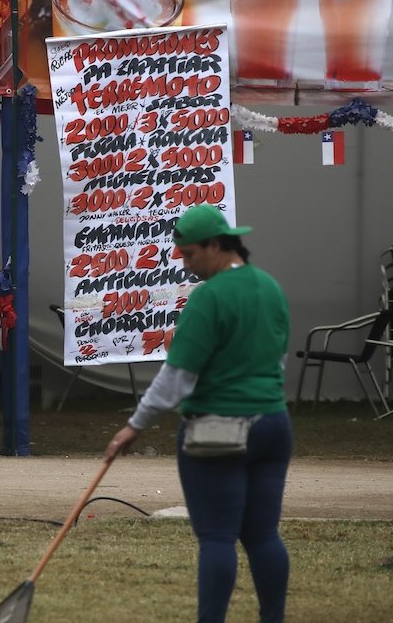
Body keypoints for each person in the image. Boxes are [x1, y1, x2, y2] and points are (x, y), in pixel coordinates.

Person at [104, 204, 292, 623]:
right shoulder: (270, 287)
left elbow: (177, 377)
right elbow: (278, 362)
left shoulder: (208, 298)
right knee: (262, 534)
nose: (186, 265)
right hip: (274, 423)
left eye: (190, 255)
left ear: (215, 245)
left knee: (217, 537)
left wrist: (135, 426)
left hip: (217, 429)